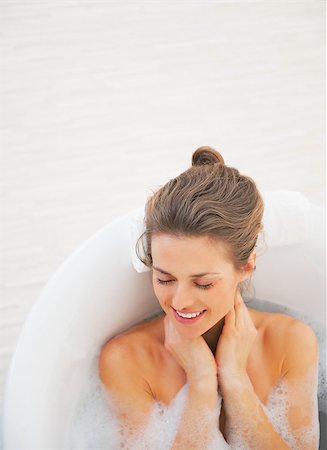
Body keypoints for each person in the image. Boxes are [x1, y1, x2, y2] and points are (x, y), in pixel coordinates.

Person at [99, 146, 319, 449]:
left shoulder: (290, 341)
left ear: (246, 265)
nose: (179, 301)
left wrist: (235, 380)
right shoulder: (127, 359)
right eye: (165, 278)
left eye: (202, 283)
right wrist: (201, 384)